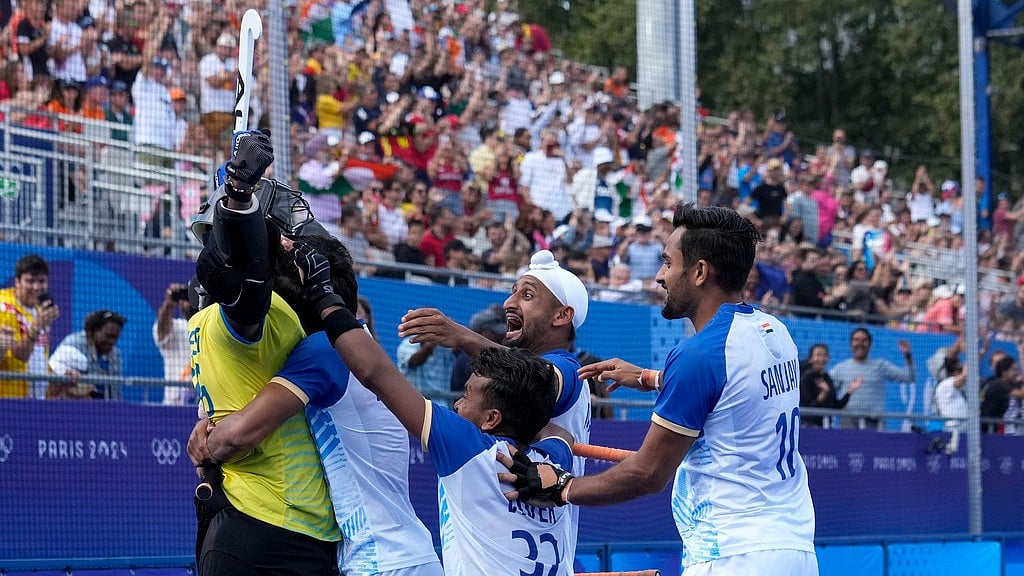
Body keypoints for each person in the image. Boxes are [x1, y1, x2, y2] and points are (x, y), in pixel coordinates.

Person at [502, 204, 818, 576]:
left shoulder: (698, 355)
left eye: (668, 263)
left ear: (699, 272)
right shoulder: (774, 332)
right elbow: (732, 393)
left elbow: (648, 473)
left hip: (732, 555)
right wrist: (649, 378)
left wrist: (562, 488)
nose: (658, 275)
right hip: (794, 550)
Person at [285, 244, 576, 575]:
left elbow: (375, 373)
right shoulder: (555, 458)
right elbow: (558, 432)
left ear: (492, 419)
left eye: (467, 396)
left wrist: (324, 294)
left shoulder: (467, 446)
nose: (457, 403)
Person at [188, 235, 443, 576]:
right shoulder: (357, 346)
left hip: (382, 562)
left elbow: (234, 437)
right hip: (395, 555)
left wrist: (206, 441)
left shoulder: (325, 350)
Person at [187, 130, 339, 574]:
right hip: (272, 525)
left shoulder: (214, 321)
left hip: (262, 522)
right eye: (283, 233)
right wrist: (239, 192)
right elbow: (247, 274)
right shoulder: (249, 314)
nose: (293, 240)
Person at [396, 248, 592, 564]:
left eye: (527, 295)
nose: (509, 303)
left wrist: (460, 335)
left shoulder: (564, 366)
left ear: (562, 316)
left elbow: (535, 378)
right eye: (512, 292)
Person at [829, 328, 915, 429]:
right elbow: (828, 391)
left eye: (864, 340)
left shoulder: (880, 366)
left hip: (874, 422)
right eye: (856, 340)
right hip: (849, 422)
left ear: (870, 345)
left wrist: (907, 355)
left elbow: (909, 377)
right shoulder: (841, 368)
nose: (860, 343)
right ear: (851, 344)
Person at [0, 254, 60, 398]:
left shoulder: (41, 310)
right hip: (9, 399)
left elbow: (39, 356)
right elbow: (19, 357)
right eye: (30, 281)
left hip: (37, 401)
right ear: (17, 281)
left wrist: (60, 378)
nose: (36, 287)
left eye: (41, 281)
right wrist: (36, 328)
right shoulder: (4, 308)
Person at [48, 309, 125, 399]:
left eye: (115, 338)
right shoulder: (73, 343)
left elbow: (115, 390)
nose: (111, 341)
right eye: (108, 336)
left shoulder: (115, 355)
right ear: (95, 330)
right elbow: (55, 375)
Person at [799, 344, 861, 427]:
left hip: (827, 426)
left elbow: (835, 406)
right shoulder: (806, 379)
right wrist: (823, 394)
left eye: (824, 355)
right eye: (818, 355)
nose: (821, 359)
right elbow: (809, 407)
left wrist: (849, 392)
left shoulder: (827, 378)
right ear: (811, 359)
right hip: (809, 427)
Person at [153, 282, 192, 406]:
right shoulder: (176, 326)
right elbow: (162, 332)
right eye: (183, 298)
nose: (184, 302)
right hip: (174, 407)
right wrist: (169, 303)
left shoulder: (210, 325)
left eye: (189, 297)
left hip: (203, 408)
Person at [933, 356, 968, 433]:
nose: (961, 371)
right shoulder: (946, 384)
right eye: (960, 370)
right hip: (954, 427)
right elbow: (964, 376)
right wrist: (967, 366)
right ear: (954, 372)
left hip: (964, 426)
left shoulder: (958, 387)